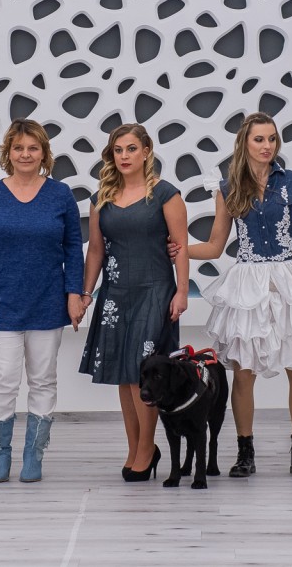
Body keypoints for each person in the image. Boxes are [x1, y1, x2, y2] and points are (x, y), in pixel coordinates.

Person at [184, 112, 292, 479]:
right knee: (244, 372)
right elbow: (214, 246)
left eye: (272, 138)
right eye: (259, 139)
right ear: (245, 143)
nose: (267, 146)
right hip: (248, 285)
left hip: (291, 280)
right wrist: (178, 249)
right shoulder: (228, 188)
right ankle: (245, 452)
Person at [0, 118, 85, 483]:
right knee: (3, 379)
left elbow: (73, 249)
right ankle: (0, 453)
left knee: (43, 379)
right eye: (18, 148)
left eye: (33, 148)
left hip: (48, 302)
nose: (25, 154)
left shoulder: (60, 195)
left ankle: (34, 454)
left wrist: (74, 294)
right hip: (0, 304)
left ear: (44, 153)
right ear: (8, 153)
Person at [78, 123, 190, 482]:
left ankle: (145, 448)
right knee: (124, 375)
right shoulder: (101, 198)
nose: (124, 156)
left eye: (130, 149)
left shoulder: (166, 194)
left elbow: (181, 247)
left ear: (146, 151)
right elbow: (96, 251)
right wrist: (85, 294)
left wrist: (182, 291)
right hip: (115, 294)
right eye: (118, 150)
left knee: (142, 371)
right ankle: (136, 447)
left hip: (155, 291)